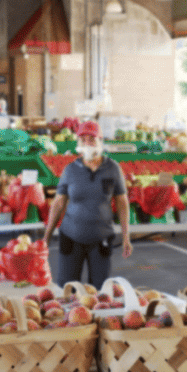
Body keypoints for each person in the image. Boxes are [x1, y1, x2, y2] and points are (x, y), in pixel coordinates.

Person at [43, 120, 132, 289]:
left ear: (100, 141)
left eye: (91, 139)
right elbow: (58, 203)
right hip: (71, 237)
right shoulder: (70, 170)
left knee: (100, 290)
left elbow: (122, 203)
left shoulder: (113, 168)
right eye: (83, 139)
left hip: (101, 238)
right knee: (67, 288)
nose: (87, 143)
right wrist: (46, 236)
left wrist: (126, 236)